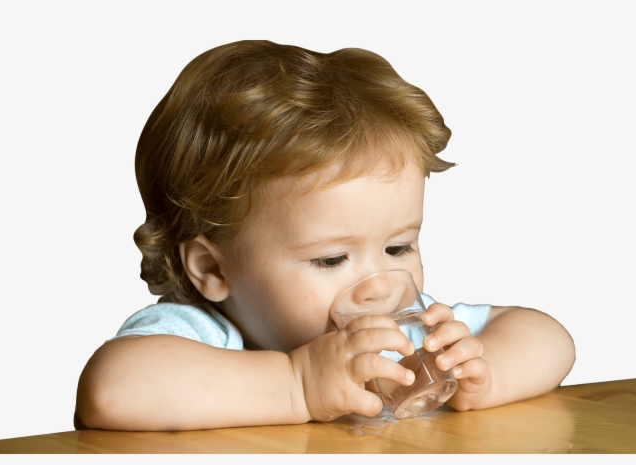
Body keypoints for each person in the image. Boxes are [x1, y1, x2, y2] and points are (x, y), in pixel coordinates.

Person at [74, 40, 576, 431]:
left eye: (398, 247)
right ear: (213, 268)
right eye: (333, 259)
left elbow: (549, 337)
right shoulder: (204, 337)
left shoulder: (410, 337)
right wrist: (297, 385)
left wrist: (484, 375)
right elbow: (112, 390)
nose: (379, 284)